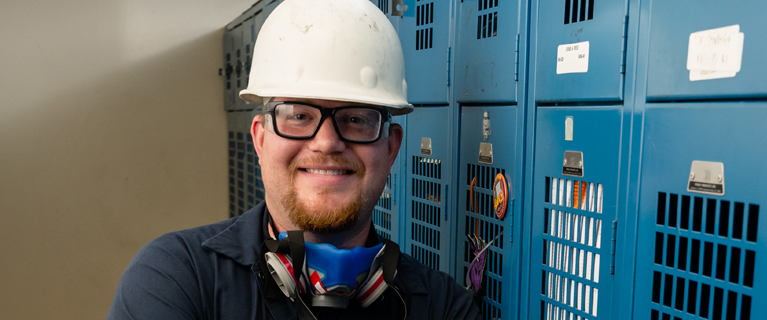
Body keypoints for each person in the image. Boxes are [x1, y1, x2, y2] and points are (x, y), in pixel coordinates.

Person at [107, 0, 482, 319]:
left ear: (391, 147)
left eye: (355, 119)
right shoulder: (175, 279)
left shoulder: (445, 308)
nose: (326, 142)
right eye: (299, 115)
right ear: (260, 138)